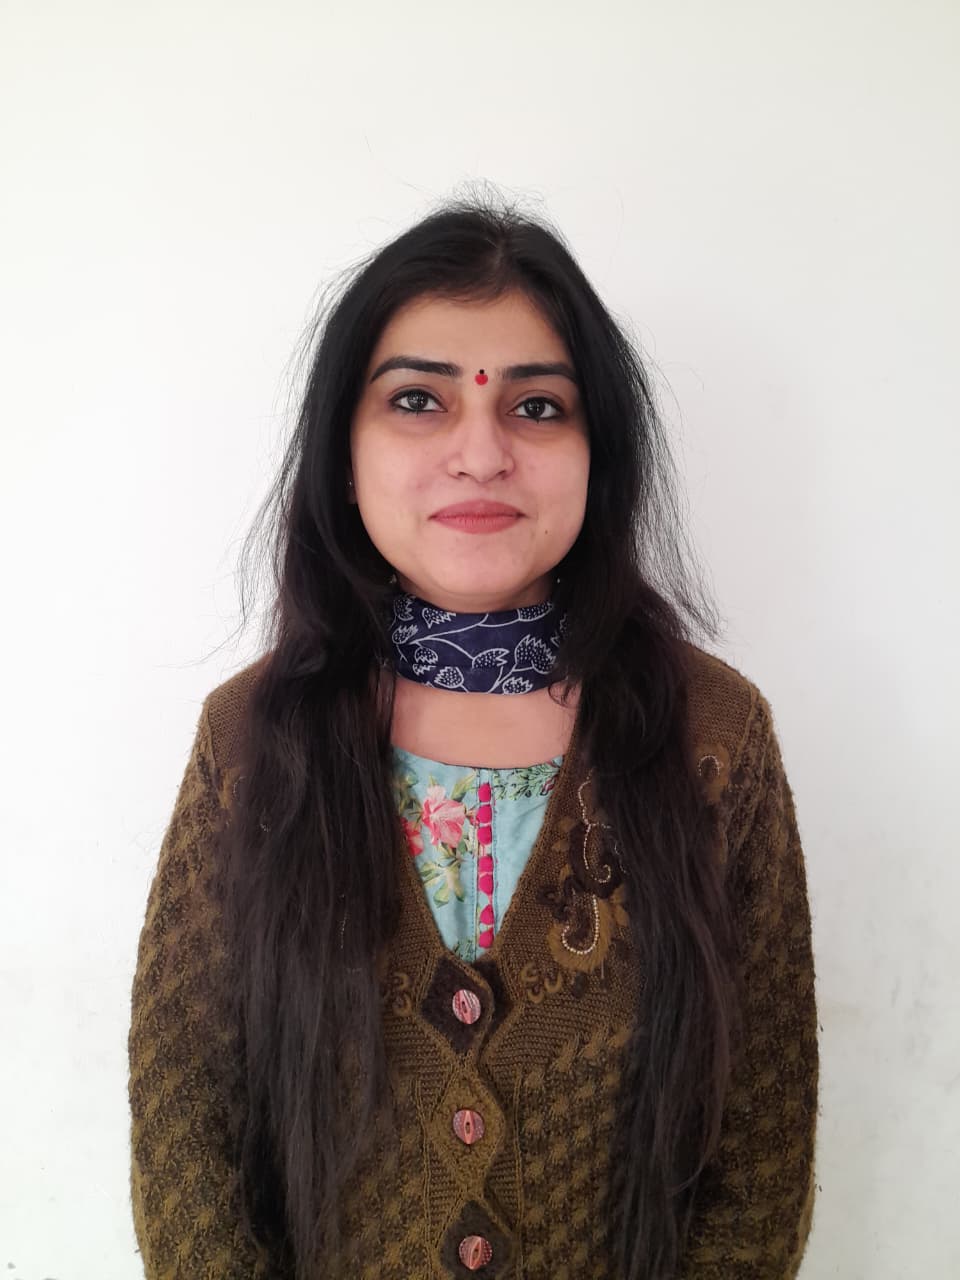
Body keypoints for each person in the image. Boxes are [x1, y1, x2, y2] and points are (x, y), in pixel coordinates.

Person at [127, 195, 819, 1279]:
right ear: (342, 451)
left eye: (537, 407)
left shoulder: (713, 738)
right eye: (418, 400)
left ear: (599, 452)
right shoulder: (252, 744)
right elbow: (188, 1120)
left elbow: (761, 1134)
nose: (481, 452)